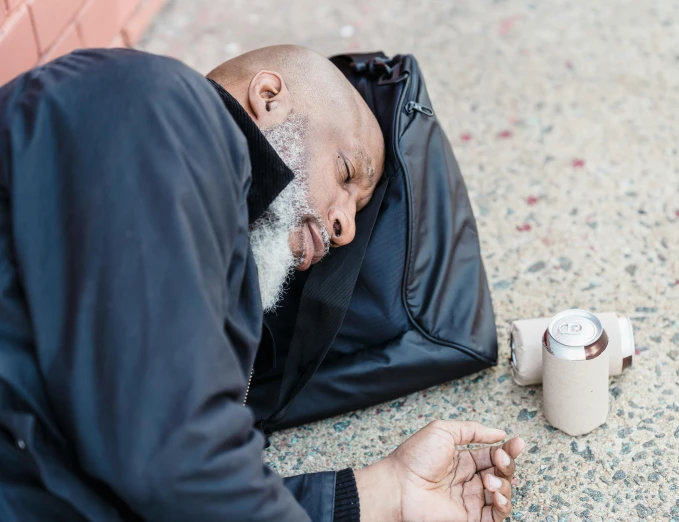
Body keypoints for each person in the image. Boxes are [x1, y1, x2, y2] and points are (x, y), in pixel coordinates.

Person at [0, 45, 524, 521]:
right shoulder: (163, 109)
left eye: (358, 211)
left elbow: (167, 480)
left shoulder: (208, 245)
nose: (345, 229)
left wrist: (383, 493)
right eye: (345, 174)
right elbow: (176, 463)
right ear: (268, 96)